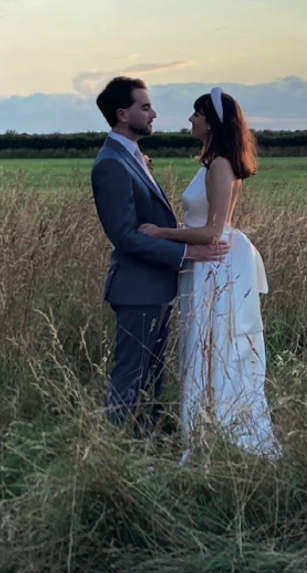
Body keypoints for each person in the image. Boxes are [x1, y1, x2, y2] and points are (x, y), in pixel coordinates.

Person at [139, 88, 277, 461]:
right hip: (208, 261)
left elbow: (213, 232)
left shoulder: (220, 165)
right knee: (206, 342)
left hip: (216, 262)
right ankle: (204, 427)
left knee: (214, 343)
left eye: (196, 113)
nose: (190, 119)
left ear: (212, 122)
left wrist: (160, 233)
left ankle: (215, 428)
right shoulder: (213, 162)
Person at [91, 76, 228, 432]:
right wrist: (188, 252)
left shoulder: (130, 157)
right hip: (137, 289)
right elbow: (126, 237)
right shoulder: (111, 164)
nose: (154, 113)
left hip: (153, 287)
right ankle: (114, 451)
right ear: (123, 115)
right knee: (129, 379)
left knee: (152, 380)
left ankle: (144, 446)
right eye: (145, 107)